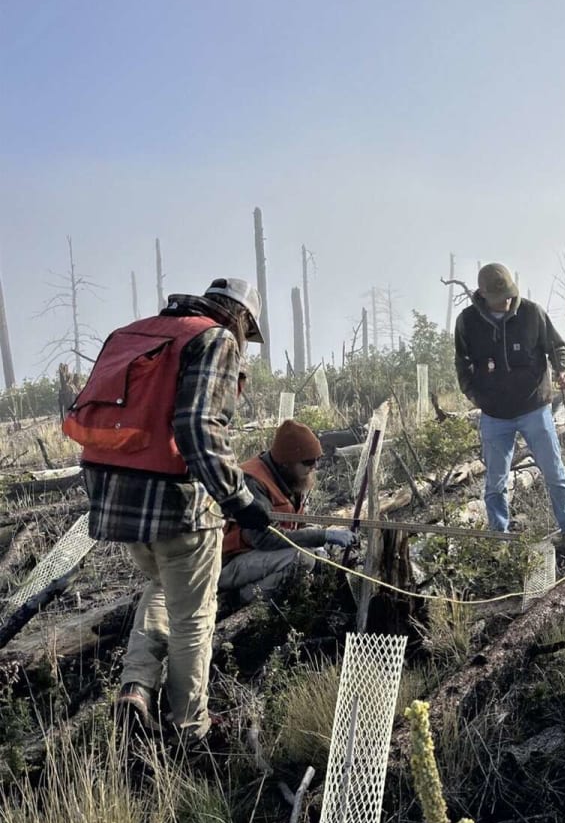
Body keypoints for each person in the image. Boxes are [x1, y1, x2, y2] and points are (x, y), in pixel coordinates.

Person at [65, 278, 274, 743]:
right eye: (248, 333)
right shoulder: (214, 339)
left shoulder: (133, 333)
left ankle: (136, 686)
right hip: (179, 508)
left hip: (118, 506)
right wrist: (238, 498)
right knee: (194, 619)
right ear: (240, 317)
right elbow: (199, 427)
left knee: (161, 586)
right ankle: (188, 729)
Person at [454, 262, 565, 555]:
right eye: (501, 296)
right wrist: (473, 393)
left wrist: (562, 369)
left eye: (510, 293)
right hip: (494, 415)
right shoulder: (467, 322)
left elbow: (557, 346)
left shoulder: (532, 313)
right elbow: (461, 361)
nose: (508, 300)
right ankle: (500, 540)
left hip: (534, 408)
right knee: (495, 480)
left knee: (553, 471)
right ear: (484, 295)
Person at [220, 419, 357, 607]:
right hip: (232, 562)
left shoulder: (291, 477)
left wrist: (319, 541)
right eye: (308, 462)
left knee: (316, 554)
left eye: (317, 459)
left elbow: (297, 526)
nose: (314, 467)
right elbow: (263, 540)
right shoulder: (253, 481)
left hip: (262, 558)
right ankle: (240, 599)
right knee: (302, 558)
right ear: (286, 462)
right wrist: (322, 536)